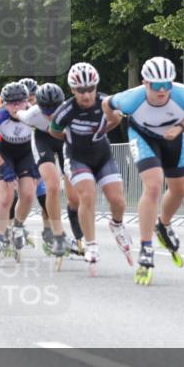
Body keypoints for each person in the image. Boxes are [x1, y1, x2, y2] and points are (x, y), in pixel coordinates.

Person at [103, 56, 184, 284]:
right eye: (156, 85)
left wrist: (181, 126)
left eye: (167, 85)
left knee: (179, 191)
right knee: (153, 186)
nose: (162, 91)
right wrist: (112, 121)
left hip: (174, 137)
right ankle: (146, 246)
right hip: (143, 137)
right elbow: (106, 104)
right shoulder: (131, 99)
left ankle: (164, 224)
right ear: (144, 83)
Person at [49, 62, 130, 273]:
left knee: (118, 200)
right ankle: (91, 244)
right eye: (81, 91)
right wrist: (71, 139)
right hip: (77, 157)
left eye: (91, 89)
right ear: (73, 90)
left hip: (102, 155)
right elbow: (54, 130)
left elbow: (117, 119)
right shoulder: (65, 110)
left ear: (96, 87)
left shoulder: (106, 102)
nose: (86, 95)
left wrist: (104, 127)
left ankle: (117, 224)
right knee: (87, 195)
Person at [18, 81, 79, 257]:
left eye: (55, 110)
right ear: (39, 106)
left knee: (74, 193)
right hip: (42, 140)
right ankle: (58, 234)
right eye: (46, 111)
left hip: (63, 141)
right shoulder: (32, 114)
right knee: (52, 186)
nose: (51, 115)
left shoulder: (70, 111)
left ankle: (76, 226)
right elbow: (17, 113)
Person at [0, 82, 39, 263]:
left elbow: (43, 139)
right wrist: (3, 167)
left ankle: (18, 226)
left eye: (20, 102)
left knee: (28, 194)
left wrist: (40, 163)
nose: (16, 107)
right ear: (4, 103)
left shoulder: (34, 113)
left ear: (26, 101)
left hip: (25, 153)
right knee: (6, 195)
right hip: (2, 152)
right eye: (11, 103)